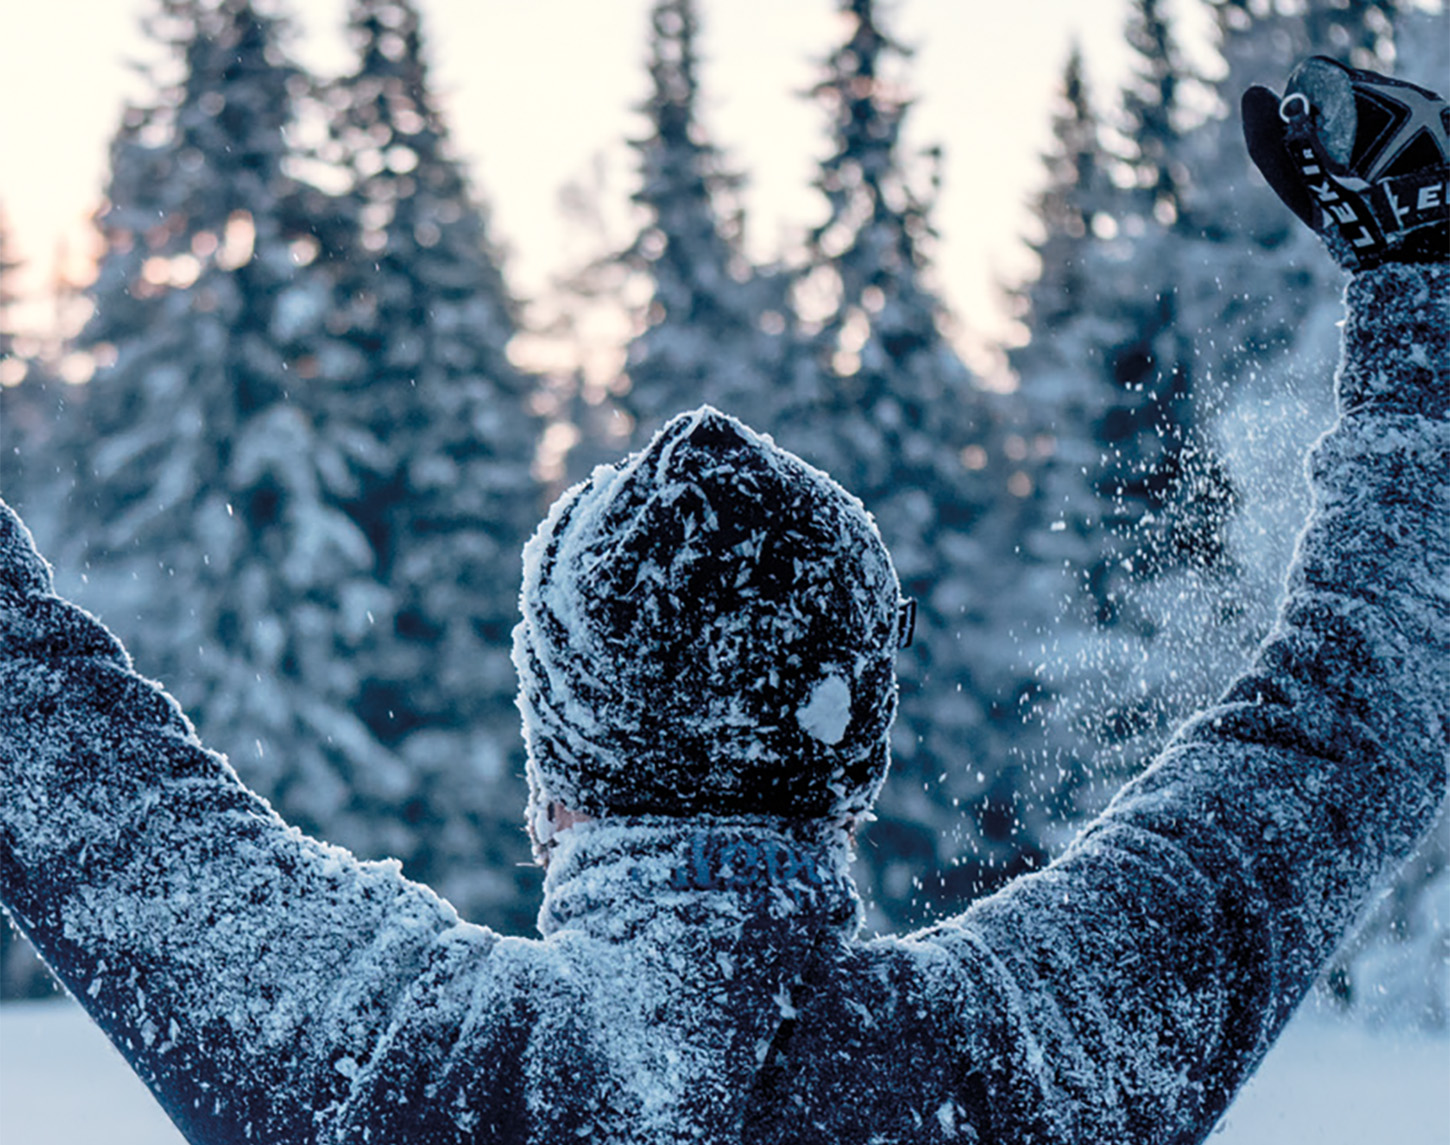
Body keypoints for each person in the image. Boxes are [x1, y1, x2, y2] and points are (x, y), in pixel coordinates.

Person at [1, 57, 1445, 1145]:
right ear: (856, 752)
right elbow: (1365, 700)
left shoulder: (399, 1068)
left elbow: (45, 733)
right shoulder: (1007, 1060)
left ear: (552, 771)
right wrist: (1421, 283)